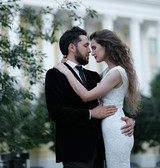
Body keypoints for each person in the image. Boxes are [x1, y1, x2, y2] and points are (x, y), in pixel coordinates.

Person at [45, 26, 135, 168]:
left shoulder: (93, 76)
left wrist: (129, 119)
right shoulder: (55, 74)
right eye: (86, 46)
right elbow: (56, 112)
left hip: (99, 150)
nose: (89, 51)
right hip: (75, 151)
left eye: (91, 47)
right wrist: (90, 114)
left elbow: (108, 101)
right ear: (72, 48)